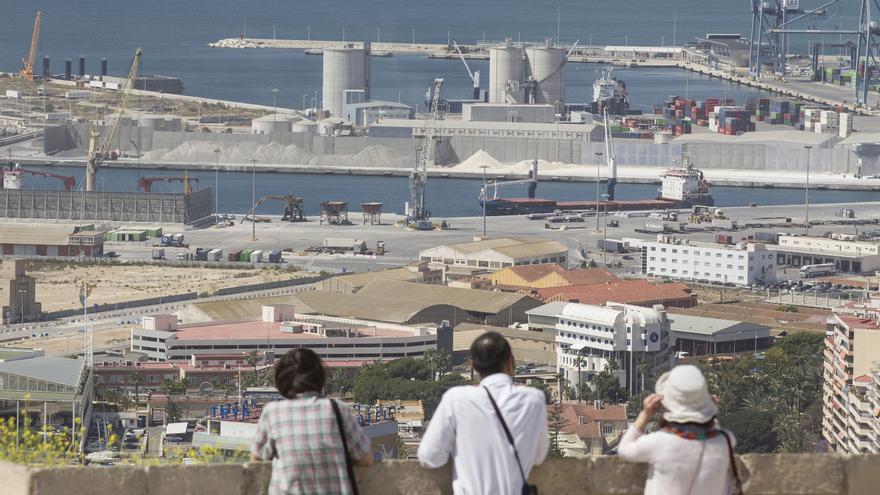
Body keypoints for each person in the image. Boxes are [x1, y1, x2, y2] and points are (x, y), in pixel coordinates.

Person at [418, 332, 549, 494]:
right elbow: (539, 457)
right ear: (510, 362)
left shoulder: (456, 399)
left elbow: (429, 457)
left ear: (473, 365)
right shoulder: (534, 399)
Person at [250, 349, 372, 495]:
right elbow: (365, 458)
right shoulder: (338, 409)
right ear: (319, 376)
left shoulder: (273, 412)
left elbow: (256, 458)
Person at [619, 364, 738, 495]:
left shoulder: (659, 443)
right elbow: (709, 435)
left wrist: (646, 414)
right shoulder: (726, 440)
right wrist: (710, 413)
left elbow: (624, 450)